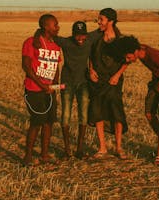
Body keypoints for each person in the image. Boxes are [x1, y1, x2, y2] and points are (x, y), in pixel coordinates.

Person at [111, 35, 159, 166]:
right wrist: (117, 75)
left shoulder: (152, 55)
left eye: (129, 57)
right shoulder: (139, 51)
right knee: (148, 113)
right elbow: (126, 62)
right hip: (157, 81)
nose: (127, 59)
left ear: (135, 51)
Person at [88, 8, 129, 160]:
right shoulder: (95, 38)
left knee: (116, 112)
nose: (98, 22)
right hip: (98, 80)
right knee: (97, 110)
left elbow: (128, 60)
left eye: (101, 19)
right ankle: (102, 147)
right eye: (98, 19)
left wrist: (117, 75)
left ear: (110, 21)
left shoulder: (120, 39)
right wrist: (91, 70)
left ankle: (118, 147)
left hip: (114, 80)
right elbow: (90, 56)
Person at [22, 14, 62, 166]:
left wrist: (54, 85)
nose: (58, 27)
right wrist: (42, 85)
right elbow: (26, 66)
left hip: (49, 91)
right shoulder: (31, 42)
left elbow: (56, 65)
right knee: (37, 122)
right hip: (34, 90)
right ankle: (28, 156)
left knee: (49, 122)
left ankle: (44, 155)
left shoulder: (55, 44)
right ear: (46, 27)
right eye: (55, 25)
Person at [57, 21, 101, 159]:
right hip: (67, 82)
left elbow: (103, 29)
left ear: (86, 34)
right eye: (77, 36)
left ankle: (80, 149)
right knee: (65, 115)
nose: (81, 39)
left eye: (83, 36)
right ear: (72, 34)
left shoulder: (89, 39)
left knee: (84, 115)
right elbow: (49, 35)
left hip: (83, 83)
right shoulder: (65, 42)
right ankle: (67, 149)